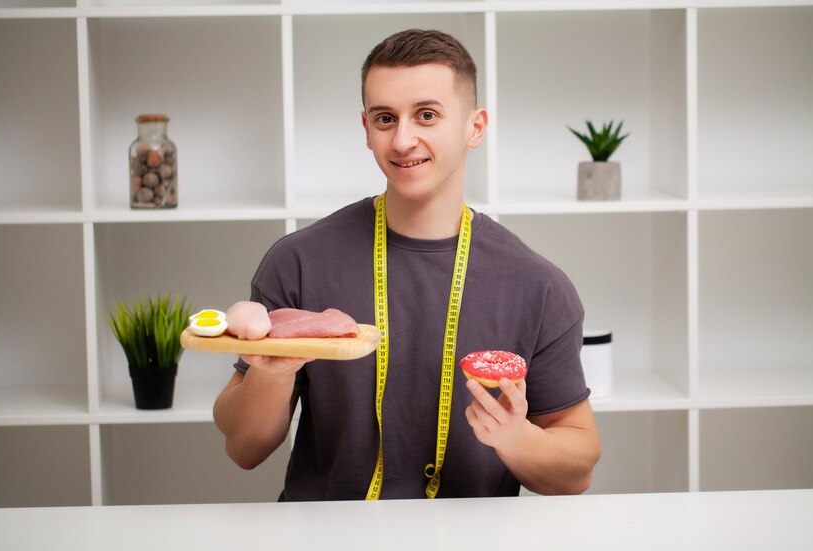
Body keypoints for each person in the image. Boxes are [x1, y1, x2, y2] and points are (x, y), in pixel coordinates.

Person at [213, 28, 600, 501]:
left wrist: (518, 441)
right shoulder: (297, 262)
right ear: (366, 130)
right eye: (384, 119)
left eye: (427, 115)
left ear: (474, 127)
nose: (403, 140)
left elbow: (577, 472)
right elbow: (244, 448)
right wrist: (271, 374)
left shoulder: (537, 285)